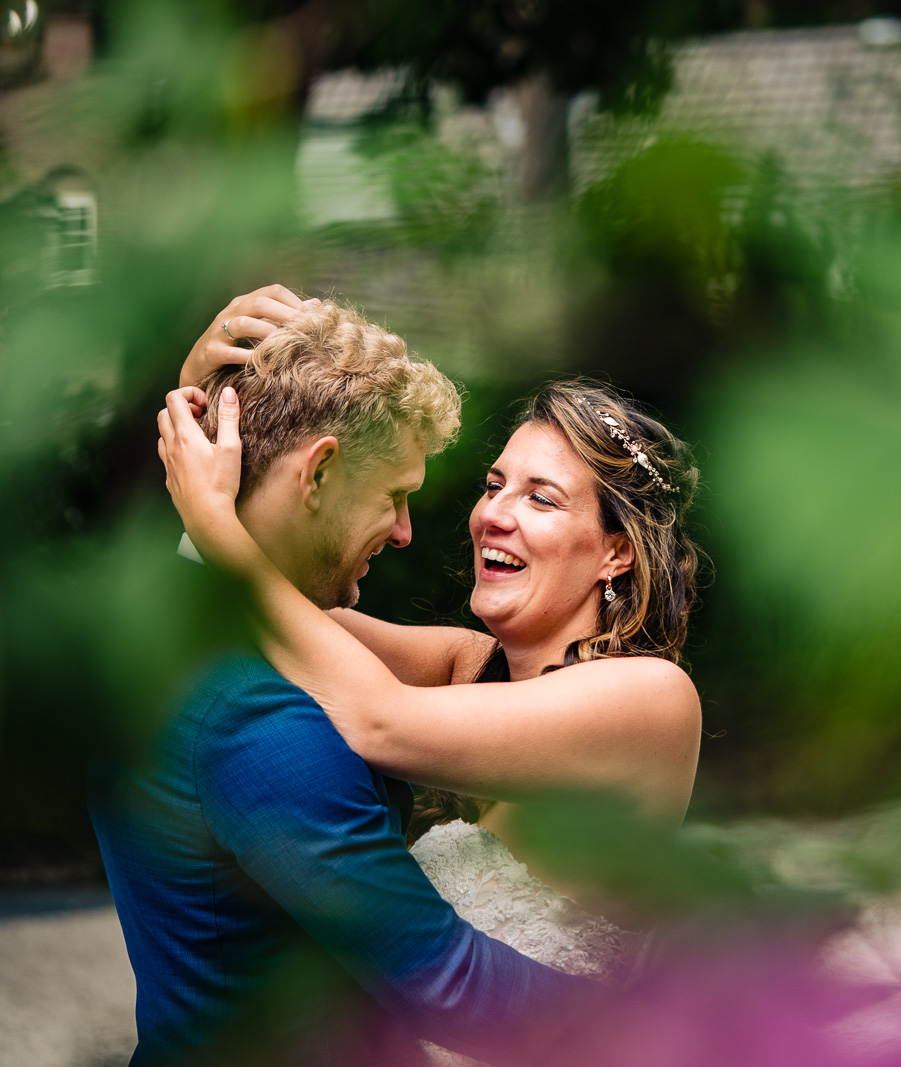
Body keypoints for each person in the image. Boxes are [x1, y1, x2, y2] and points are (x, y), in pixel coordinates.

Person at [156, 291, 704, 1054]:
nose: (492, 515)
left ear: (616, 551)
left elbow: (374, 715)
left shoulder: (650, 698)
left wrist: (215, 523)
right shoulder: (473, 665)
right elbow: (275, 608)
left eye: (540, 497)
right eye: (493, 484)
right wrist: (211, 418)